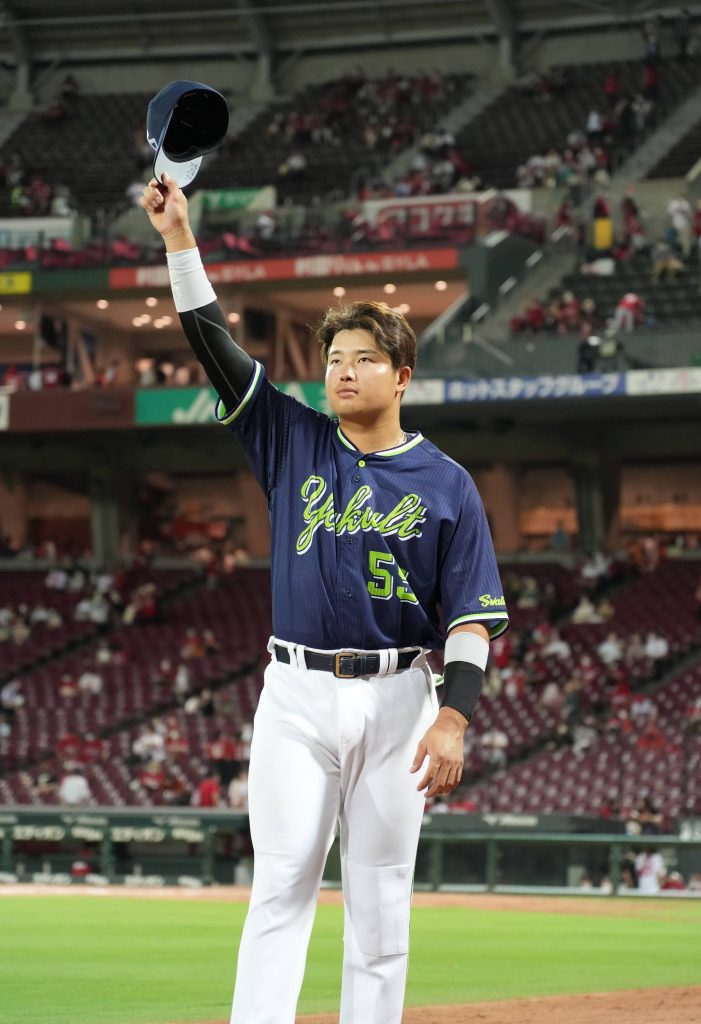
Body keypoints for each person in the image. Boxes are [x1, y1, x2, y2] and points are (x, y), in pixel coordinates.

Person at [140, 171, 508, 1024]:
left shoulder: (447, 483)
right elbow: (211, 343)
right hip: (298, 694)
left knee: (381, 907)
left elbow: (470, 619)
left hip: (397, 702)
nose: (342, 372)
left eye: (363, 359)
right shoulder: (290, 439)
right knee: (281, 882)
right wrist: (178, 241)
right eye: (335, 359)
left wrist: (453, 717)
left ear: (401, 373)